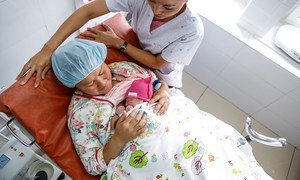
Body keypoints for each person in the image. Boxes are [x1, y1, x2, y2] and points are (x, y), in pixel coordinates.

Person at [17, 0, 204, 89]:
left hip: (161, 73)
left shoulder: (191, 30)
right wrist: (48, 50)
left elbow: (156, 63)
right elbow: (88, 12)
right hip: (135, 53)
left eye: (168, 6)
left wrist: (118, 43)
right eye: (152, 1)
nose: (157, 10)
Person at [51, 38, 170, 175]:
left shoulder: (123, 69)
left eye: (101, 72)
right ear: (75, 85)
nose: (102, 83)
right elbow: (92, 166)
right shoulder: (80, 114)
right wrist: (119, 139)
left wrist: (164, 90)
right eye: (89, 84)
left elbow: (154, 80)